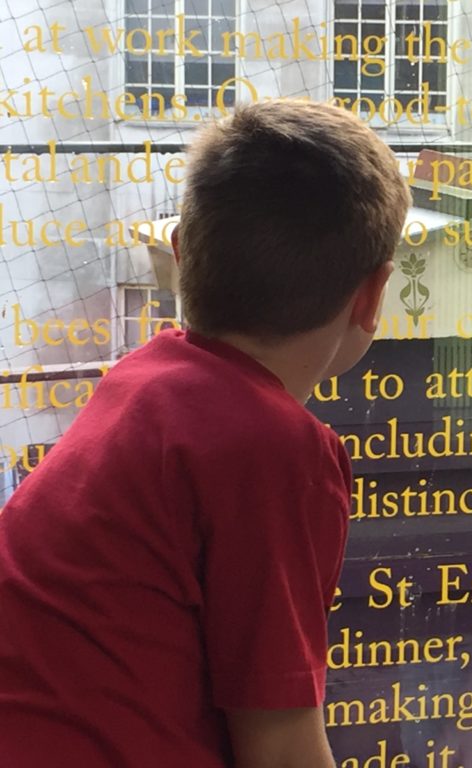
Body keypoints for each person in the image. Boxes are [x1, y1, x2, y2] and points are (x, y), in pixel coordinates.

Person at [0, 101, 410, 767]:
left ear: (181, 255)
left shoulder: (141, 382)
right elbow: (279, 748)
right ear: (372, 296)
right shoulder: (276, 452)